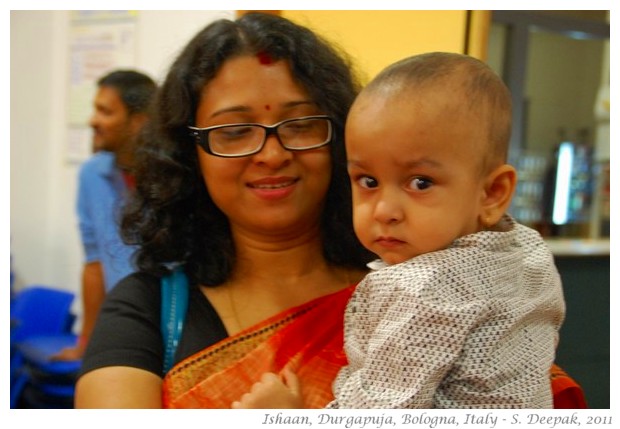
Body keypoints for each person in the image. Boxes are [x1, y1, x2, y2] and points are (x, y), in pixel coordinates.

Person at [232, 52, 566, 409]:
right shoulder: (527, 249)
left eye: (420, 182)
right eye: (368, 180)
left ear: (492, 192)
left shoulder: (420, 289)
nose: (384, 210)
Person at [74, 12, 374, 408]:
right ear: (188, 153)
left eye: (300, 125)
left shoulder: (408, 296)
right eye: (233, 132)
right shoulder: (146, 309)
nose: (272, 154)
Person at [54, 70, 157, 361]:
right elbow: (95, 264)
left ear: (139, 122)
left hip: (171, 327)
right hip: (121, 324)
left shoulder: (175, 177)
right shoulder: (92, 174)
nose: (92, 121)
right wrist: (85, 342)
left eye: (105, 111)